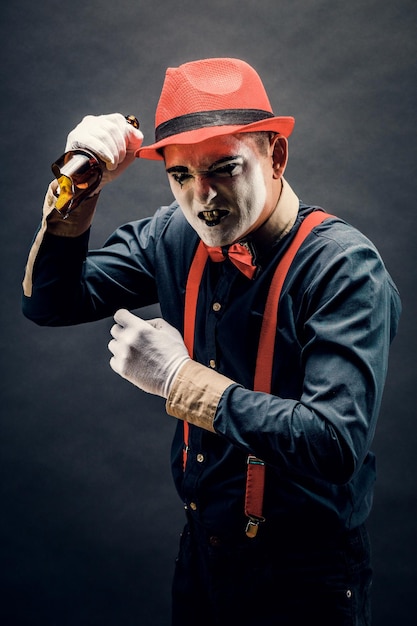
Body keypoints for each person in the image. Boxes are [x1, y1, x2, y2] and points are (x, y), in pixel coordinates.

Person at [22, 58, 401, 625]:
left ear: (275, 155)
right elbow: (49, 301)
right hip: (201, 553)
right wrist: (78, 187)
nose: (203, 199)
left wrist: (180, 381)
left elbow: (333, 443)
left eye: (225, 169)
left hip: (308, 578)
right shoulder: (174, 235)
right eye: (181, 177)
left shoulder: (345, 268)